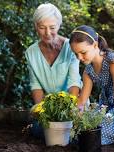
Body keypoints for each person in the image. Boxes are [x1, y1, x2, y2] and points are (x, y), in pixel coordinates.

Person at [25, 3, 82, 139]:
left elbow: (74, 82)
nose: (47, 33)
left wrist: (68, 111)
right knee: (39, 131)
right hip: (48, 106)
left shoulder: (70, 47)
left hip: (72, 104)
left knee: (75, 132)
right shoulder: (31, 52)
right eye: (42, 27)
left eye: (52, 27)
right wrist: (42, 111)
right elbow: (36, 86)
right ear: (35, 27)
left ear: (59, 26)